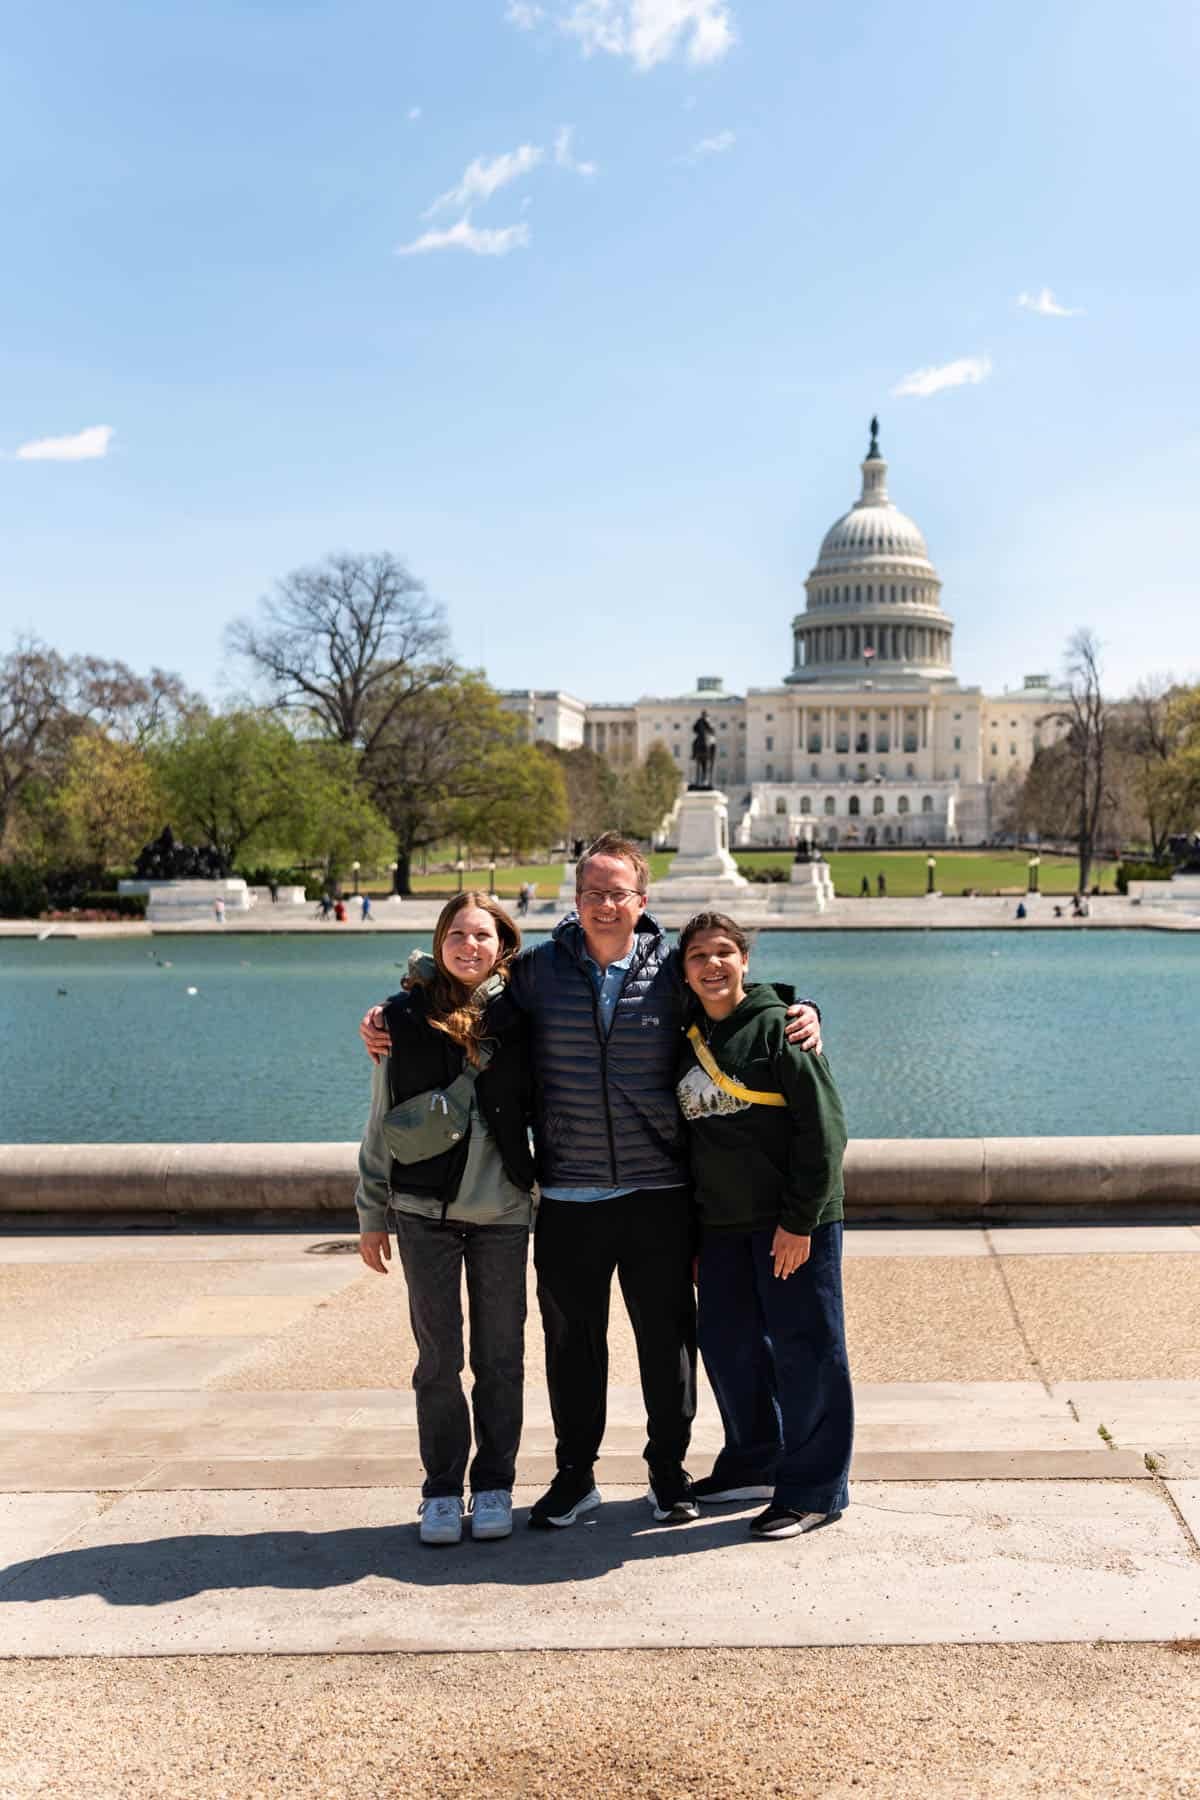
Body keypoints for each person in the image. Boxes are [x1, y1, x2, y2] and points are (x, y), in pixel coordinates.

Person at [360, 832, 822, 1532]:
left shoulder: (673, 970)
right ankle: (575, 1477)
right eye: (594, 893)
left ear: (642, 900)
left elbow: (737, 998)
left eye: (619, 893)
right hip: (570, 1193)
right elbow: (461, 992)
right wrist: (390, 1013)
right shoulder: (541, 973)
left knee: (667, 1345)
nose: (606, 905)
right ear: (576, 901)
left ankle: (668, 1475)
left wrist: (804, 1007)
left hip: (657, 1192)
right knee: (573, 1349)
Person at [356, 892, 535, 1547]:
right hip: (421, 1213)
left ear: (502, 945)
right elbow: (380, 1120)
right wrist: (371, 1210)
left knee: (501, 1359)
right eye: (457, 934)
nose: (469, 946)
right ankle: (439, 1488)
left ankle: (494, 1484)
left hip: (504, 1212)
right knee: (437, 1362)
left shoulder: (524, 1016)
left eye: (482, 935)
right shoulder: (399, 1018)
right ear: (439, 943)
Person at [675, 911, 852, 1541]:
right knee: (730, 1347)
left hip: (792, 1224)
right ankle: (756, 1460)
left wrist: (799, 1222)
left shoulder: (782, 1029)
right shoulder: (685, 1031)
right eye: (698, 956)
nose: (712, 965)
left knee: (808, 1352)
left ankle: (815, 1490)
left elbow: (825, 1132)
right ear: (684, 969)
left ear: (745, 960)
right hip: (720, 1227)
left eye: (724, 953)